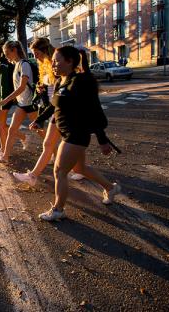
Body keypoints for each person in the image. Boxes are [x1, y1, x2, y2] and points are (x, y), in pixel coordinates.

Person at [34, 46, 121, 221]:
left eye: (57, 61)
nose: (53, 65)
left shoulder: (80, 82)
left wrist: (102, 140)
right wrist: (39, 119)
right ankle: (111, 188)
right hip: (67, 132)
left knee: (59, 171)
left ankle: (58, 210)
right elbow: (54, 105)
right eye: (53, 62)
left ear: (70, 61)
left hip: (76, 134)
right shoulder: (61, 81)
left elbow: (94, 111)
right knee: (79, 168)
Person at [13, 37, 61, 185]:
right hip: (53, 106)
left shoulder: (56, 64)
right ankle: (33, 176)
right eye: (33, 54)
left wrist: (40, 118)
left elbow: (60, 85)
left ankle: (33, 176)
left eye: (36, 53)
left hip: (60, 108)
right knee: (51, 143)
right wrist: (41, 88)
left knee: (63, 143)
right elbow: (48, 84)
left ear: (45, 50)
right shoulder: (42, 64)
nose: (35, 57)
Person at [0, 41, 40, 163]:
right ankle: (5, 157)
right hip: (22, 104)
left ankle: (55, 153)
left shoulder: (24, 65)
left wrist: (5, 100)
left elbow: (21, 87)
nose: (6, 56)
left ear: (14, 50)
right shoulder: (17, 65)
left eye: (7, 53)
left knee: (40, 131)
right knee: (12, 130)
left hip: (30, 104)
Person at [0, 43, 26, 158]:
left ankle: (4, 149)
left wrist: (3, 101)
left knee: (0, 126)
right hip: (1, 100)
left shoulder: (2, 65)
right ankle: (23, 137)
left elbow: (4, 86)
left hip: (3, 100)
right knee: (1, 125)